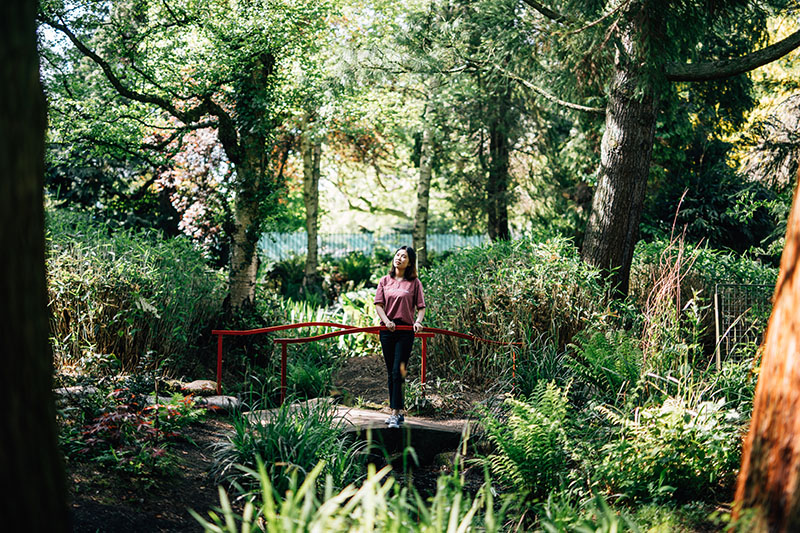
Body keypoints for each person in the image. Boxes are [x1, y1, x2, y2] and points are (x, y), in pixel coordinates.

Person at [374, 245, 425, 428]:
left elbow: (421, 306)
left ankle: (395, 413)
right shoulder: (384, 281)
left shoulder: (414, 283)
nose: (399, 258)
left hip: (405, 332)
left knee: (398, 371)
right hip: (387, 331)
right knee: (391, 373)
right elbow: (379, 305)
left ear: (410, 262)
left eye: (404, 257)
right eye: (398, 255)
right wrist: (386, 321)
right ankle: (397, 411)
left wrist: (418, 322)